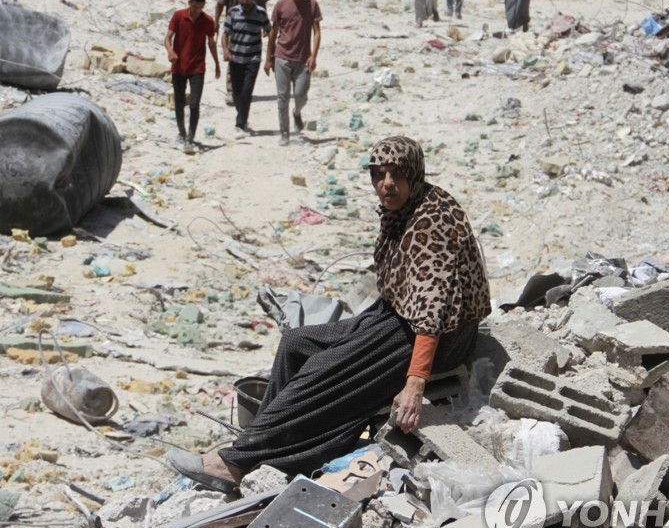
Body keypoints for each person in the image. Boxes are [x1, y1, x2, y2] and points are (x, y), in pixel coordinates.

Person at [165, 136, 491, 491]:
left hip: (439, 335)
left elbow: (433, 310)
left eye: (397, 174)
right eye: (378, 175)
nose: (387, 184)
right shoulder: (404, 210)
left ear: (414, 173)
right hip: (399, 316)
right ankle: (259, 445)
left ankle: (235, 463)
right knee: (296, 344)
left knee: (324, 372)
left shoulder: (433, 222)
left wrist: (415, 384)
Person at [266, 0, 321, 146]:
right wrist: (269, 58)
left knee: (300, 94)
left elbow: (317, 31)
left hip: (303, 58)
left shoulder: (312, 5)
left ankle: (297, 112)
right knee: (282, 97)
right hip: (282, 56)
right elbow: (273, 32)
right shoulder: (281, 5)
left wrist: (314, 55)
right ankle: (284, 132)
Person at [165, 0, 220, 154]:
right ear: (189, 3)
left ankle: (190, 137)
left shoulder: (208, 21)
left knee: (195, 104)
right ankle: (181, 133)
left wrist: (217, 63)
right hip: (179, 66)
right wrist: (170, 51)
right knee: (179, 101)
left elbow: (211, 43)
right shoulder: (178, 16)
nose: (196, 11)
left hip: (197, 67)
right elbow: (168, 38)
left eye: (199, 8)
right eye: (194, 7)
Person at [215, 0, 270, 106]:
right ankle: (232, 90)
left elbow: (262, 2)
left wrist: (265, 25)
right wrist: (216, 22)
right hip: (234, 25)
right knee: (233, 57)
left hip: (253, 24)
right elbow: (221, 3)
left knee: (251, 58)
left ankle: (244, 90)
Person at [221, 0, 271, 134]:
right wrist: (225, 50)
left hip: (253, 58)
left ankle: (240, 123)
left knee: (247, 91)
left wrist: (270, 55)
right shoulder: (233, 12)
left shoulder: (261, 13)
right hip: (235, 58)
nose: (244, 2)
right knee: (236, 93)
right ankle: (242, 114)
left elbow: (269, 30)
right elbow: (225, 34)